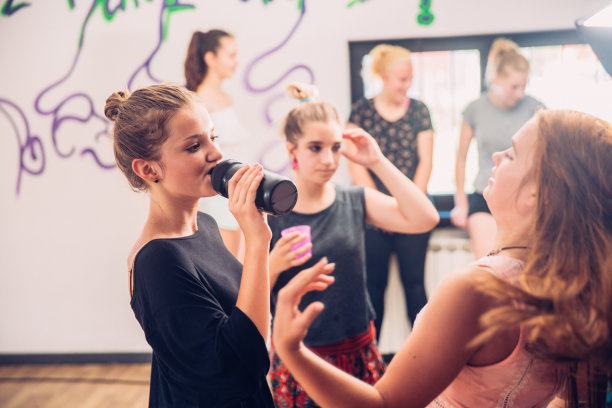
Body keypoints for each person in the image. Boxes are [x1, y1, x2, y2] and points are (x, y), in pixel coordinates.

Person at [271, 109, 612, 408]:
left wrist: (291, 350)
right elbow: (569, 397)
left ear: (541, 194)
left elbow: (385, 405)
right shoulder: (572, 280)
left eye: (511, 155)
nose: (495, 155)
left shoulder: (474, 288)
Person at [267, 83, 439, 407]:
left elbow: (425, 218)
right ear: (293, 153)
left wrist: (377, 161)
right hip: (300, 358)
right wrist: (272, 268)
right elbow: (242, 298)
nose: (329, 159)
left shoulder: (354, 201)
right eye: (315, 148)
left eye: (335, 147)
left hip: (358, 350)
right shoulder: (272, 216)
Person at [104, 84, 275, 407]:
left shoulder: (206, 227)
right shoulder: (157, 261)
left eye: (214, 137)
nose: (216, 154)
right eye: (194, 145)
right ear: (148, 169)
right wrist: (257, 242)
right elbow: (237, 370)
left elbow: (238, 313)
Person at [347, 44, 435, 337]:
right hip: (373, 214)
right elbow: (356, 168)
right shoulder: (360, 112)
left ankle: (426, 360)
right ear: (383, 77)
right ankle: (371, 363)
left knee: (414, 284)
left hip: (414, 212)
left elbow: (425, 162)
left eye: (410, 78)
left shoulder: (420, 111)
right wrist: (384, 212)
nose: (406, 85)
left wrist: (410, 208)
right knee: (373, 286)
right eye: (401, 79)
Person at [451, 37, 545, 259]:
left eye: (524, 85)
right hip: (484, 196)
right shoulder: (474, 109)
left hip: (525, 199)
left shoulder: (536, 108)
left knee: (523, 266)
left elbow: (548, 156)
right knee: (490, 266)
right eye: (514, 86)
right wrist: (460, 203)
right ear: (496, 80)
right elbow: (461, 158)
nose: (520, 92)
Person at [185, 29, 256, 259]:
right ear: (211, 58)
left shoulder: (227, 99)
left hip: (238, 194)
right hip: (218, 197)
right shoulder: (198, 102)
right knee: (227, 269)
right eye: (231, 55)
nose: (237, 62)